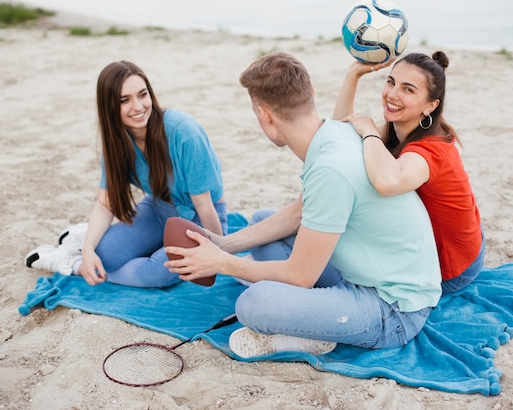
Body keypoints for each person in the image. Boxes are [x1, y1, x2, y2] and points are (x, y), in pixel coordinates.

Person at [164, 51, 441, 358]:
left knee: (253, 304)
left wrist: (220, 263)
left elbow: (300, 276)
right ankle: (313, 315)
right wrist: (224, 244)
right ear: (310, 93)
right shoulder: (336, 133)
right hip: (365, 274)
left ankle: (313, 330)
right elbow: (298, 212)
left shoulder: (329, 168)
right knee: (263, 220)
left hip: (394, 309)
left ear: (265, 115)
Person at [25, 60, 226, 288]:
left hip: (200, 219)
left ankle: (75, 266)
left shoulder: (184, 133)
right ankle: (84, 240)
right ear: (109, 107)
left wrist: (217, 253)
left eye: (142, 95)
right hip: (159, 208)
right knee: (104, 254)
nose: (138, 106)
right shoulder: (118, 143)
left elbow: (205, 206)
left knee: (156, 274)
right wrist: (90, 250)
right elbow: (106, 203)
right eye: (124, 100)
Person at [333, 52, 485, 294]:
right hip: (461, 236)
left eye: (408, 90)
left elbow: (386, 182)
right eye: (391, 82)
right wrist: (353, 75)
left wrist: (369, 132)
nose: (392, 94)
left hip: (453, 267)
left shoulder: (430, 149)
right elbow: (340, 136)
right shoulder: (401, 127)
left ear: (430, 105)